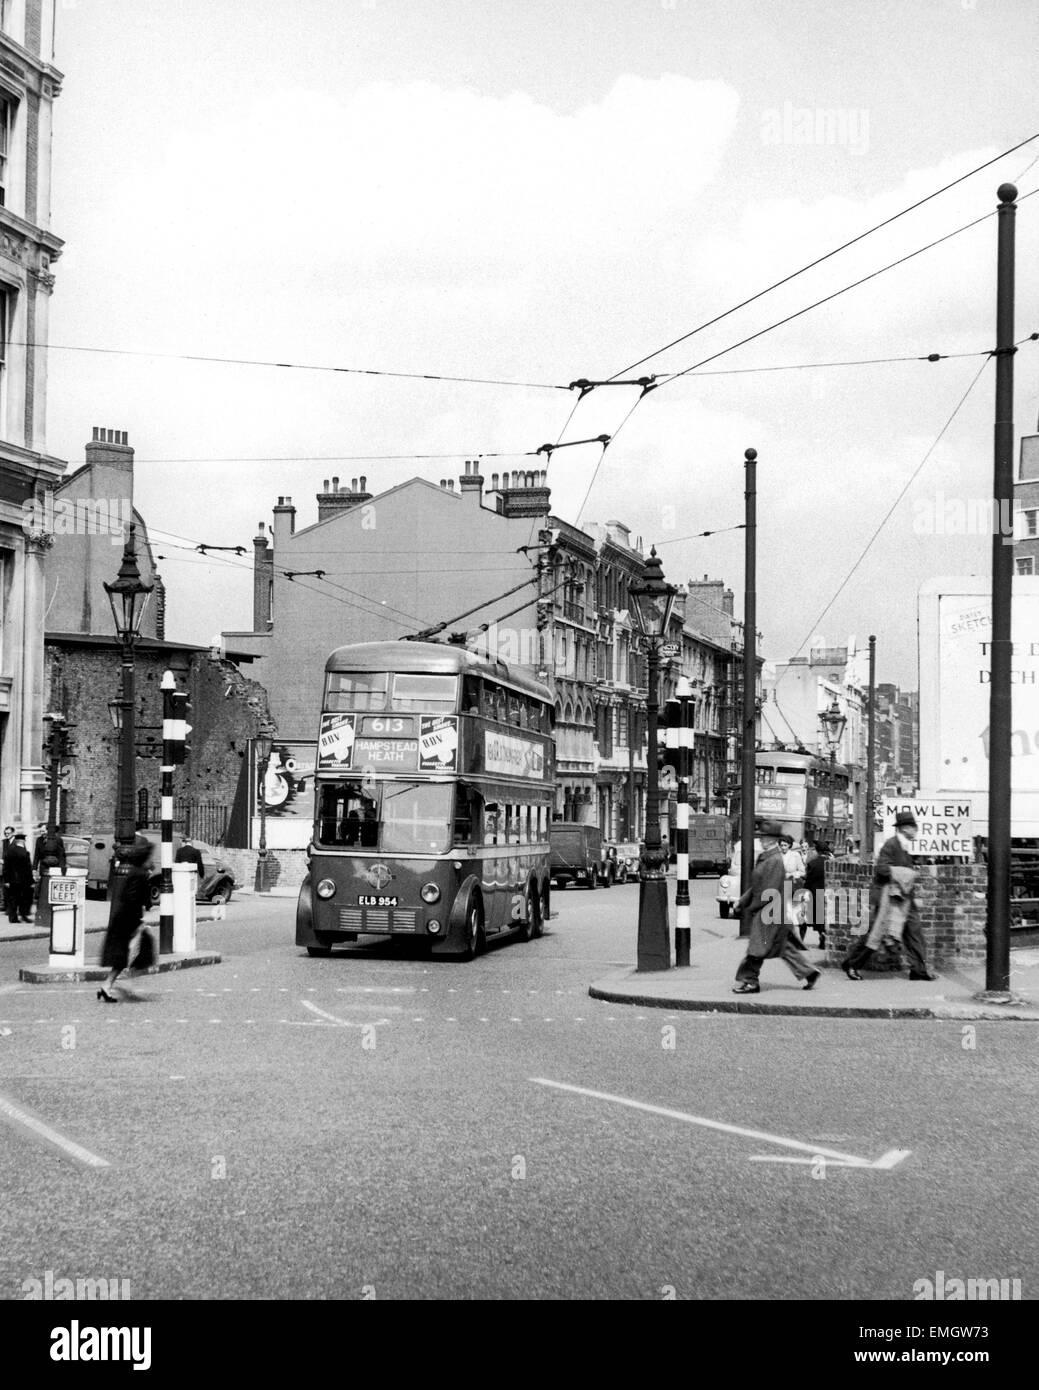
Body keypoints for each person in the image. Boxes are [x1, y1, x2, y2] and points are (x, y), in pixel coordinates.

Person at [842, 811, 937, 981]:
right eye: (914, 828)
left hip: (903, 900)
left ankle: (918, 970)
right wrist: (907, 873)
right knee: (876, 934)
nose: (916, 831)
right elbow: (882, 869)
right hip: (887, 898)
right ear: (905, 828)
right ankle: (852, 964)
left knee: (914, 933)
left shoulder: (904, 847)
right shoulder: (891, 845)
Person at [733, 820, 820, 994]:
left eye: (764, 838)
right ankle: (809, 972)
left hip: (769, 912)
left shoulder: (773, 861)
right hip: (773, 911)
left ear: (772, 840)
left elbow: (768, 890)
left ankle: (751, 981)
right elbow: (757, 885)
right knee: (783, 947)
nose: (761, 840)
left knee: (756, 949)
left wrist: (751, 907)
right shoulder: (768, 858)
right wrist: (742, 900)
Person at [98, 843, 153, 1002]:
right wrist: (137, 920)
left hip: (125, 918)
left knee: (125, 956)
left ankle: (107, 986)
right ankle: (126, 985)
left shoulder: (134, 872)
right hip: (128, 919)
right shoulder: (140, 874)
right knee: (136, 953)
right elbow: (134, 897)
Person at [3, 832, 35, 924]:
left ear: (16, 841)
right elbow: (28, 869)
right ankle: (24, 916)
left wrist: (7, 880)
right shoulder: (25, 853)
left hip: (12, 880)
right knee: (24, 899)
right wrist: (31, 881)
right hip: (23, 880)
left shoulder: (9, 851)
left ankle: (13, 918)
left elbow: (6, 867)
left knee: (13, 899)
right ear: (23, 841)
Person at [777, 831, 806, 931]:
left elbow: (802, 871)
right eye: (781, 845)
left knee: (791, 910)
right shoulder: (777, 856)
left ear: (789, 845)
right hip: (780, 885)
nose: (783, 847)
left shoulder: (795, 855)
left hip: (792, 885)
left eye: (785, 845)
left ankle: (792, 931)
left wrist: (793, 874)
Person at [801, 841, 828, 946]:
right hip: (826, 894)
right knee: (822, 918)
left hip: (814, 894)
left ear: (817, 851)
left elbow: (808, 880)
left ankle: (801, 940)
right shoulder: (830, 862)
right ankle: (823, 938)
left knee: (805, 918)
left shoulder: (812, 864)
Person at [0, 825, 14, 911]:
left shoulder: (17, 842)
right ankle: (3, 904)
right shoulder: (3, 842)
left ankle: (11, 906)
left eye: (8, 833)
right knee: (3, 887)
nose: (7, 834)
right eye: (5, 833)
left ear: (13, 833)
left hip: (13, 868)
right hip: (4, 868)